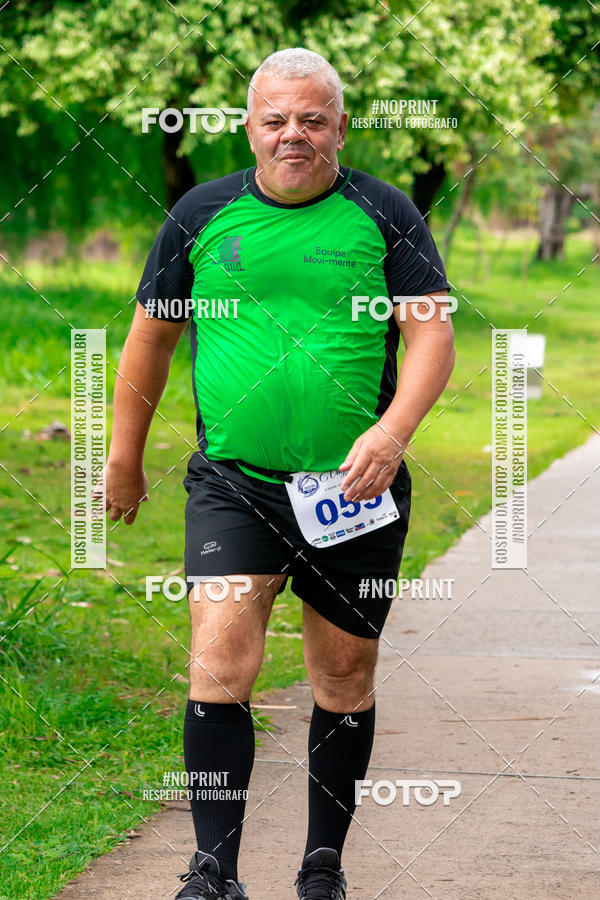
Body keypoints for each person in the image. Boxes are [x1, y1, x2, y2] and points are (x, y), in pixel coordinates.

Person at [104, 47, 455, 900]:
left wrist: (392, 433)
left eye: (312, 119)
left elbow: (431, 334)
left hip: (354, 488)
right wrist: (124, 458)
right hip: (236, 479)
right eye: (276, 119)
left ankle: (321, 864)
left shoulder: (385, 210)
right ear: (252, 127)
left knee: (344, 673)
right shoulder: (201, 211)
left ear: (339, 126)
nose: (293, 134)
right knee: (219, 657)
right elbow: (151, 337)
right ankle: (213, 867)